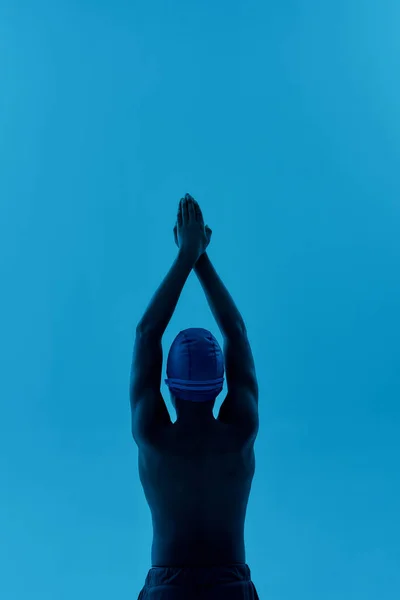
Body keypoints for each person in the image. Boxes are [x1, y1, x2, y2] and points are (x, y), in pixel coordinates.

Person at [130, 194, 260, 598]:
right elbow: (236, 331)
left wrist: (187, 254)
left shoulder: (153, 435)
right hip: (231, 588)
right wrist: (199, 256)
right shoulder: (240, 431)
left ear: (167, 382)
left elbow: (146, 333)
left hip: (167, 590)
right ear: (222, 380)